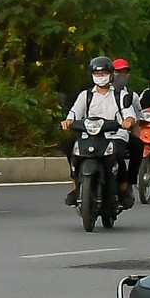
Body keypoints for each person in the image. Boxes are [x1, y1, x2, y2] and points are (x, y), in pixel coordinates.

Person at [63, 55, 136, 208]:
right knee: (70, 147)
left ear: (110, 75)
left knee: (119, 155)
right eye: (97, 74)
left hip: (114, 135)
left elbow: (128, 113)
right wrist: (68, 121)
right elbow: (75, 112)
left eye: (103, 74)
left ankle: (123, 189)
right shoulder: (86, 95)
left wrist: (128, 121)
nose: (100, 77)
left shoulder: (120, 95)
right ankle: (75, 187)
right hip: (90, 134)